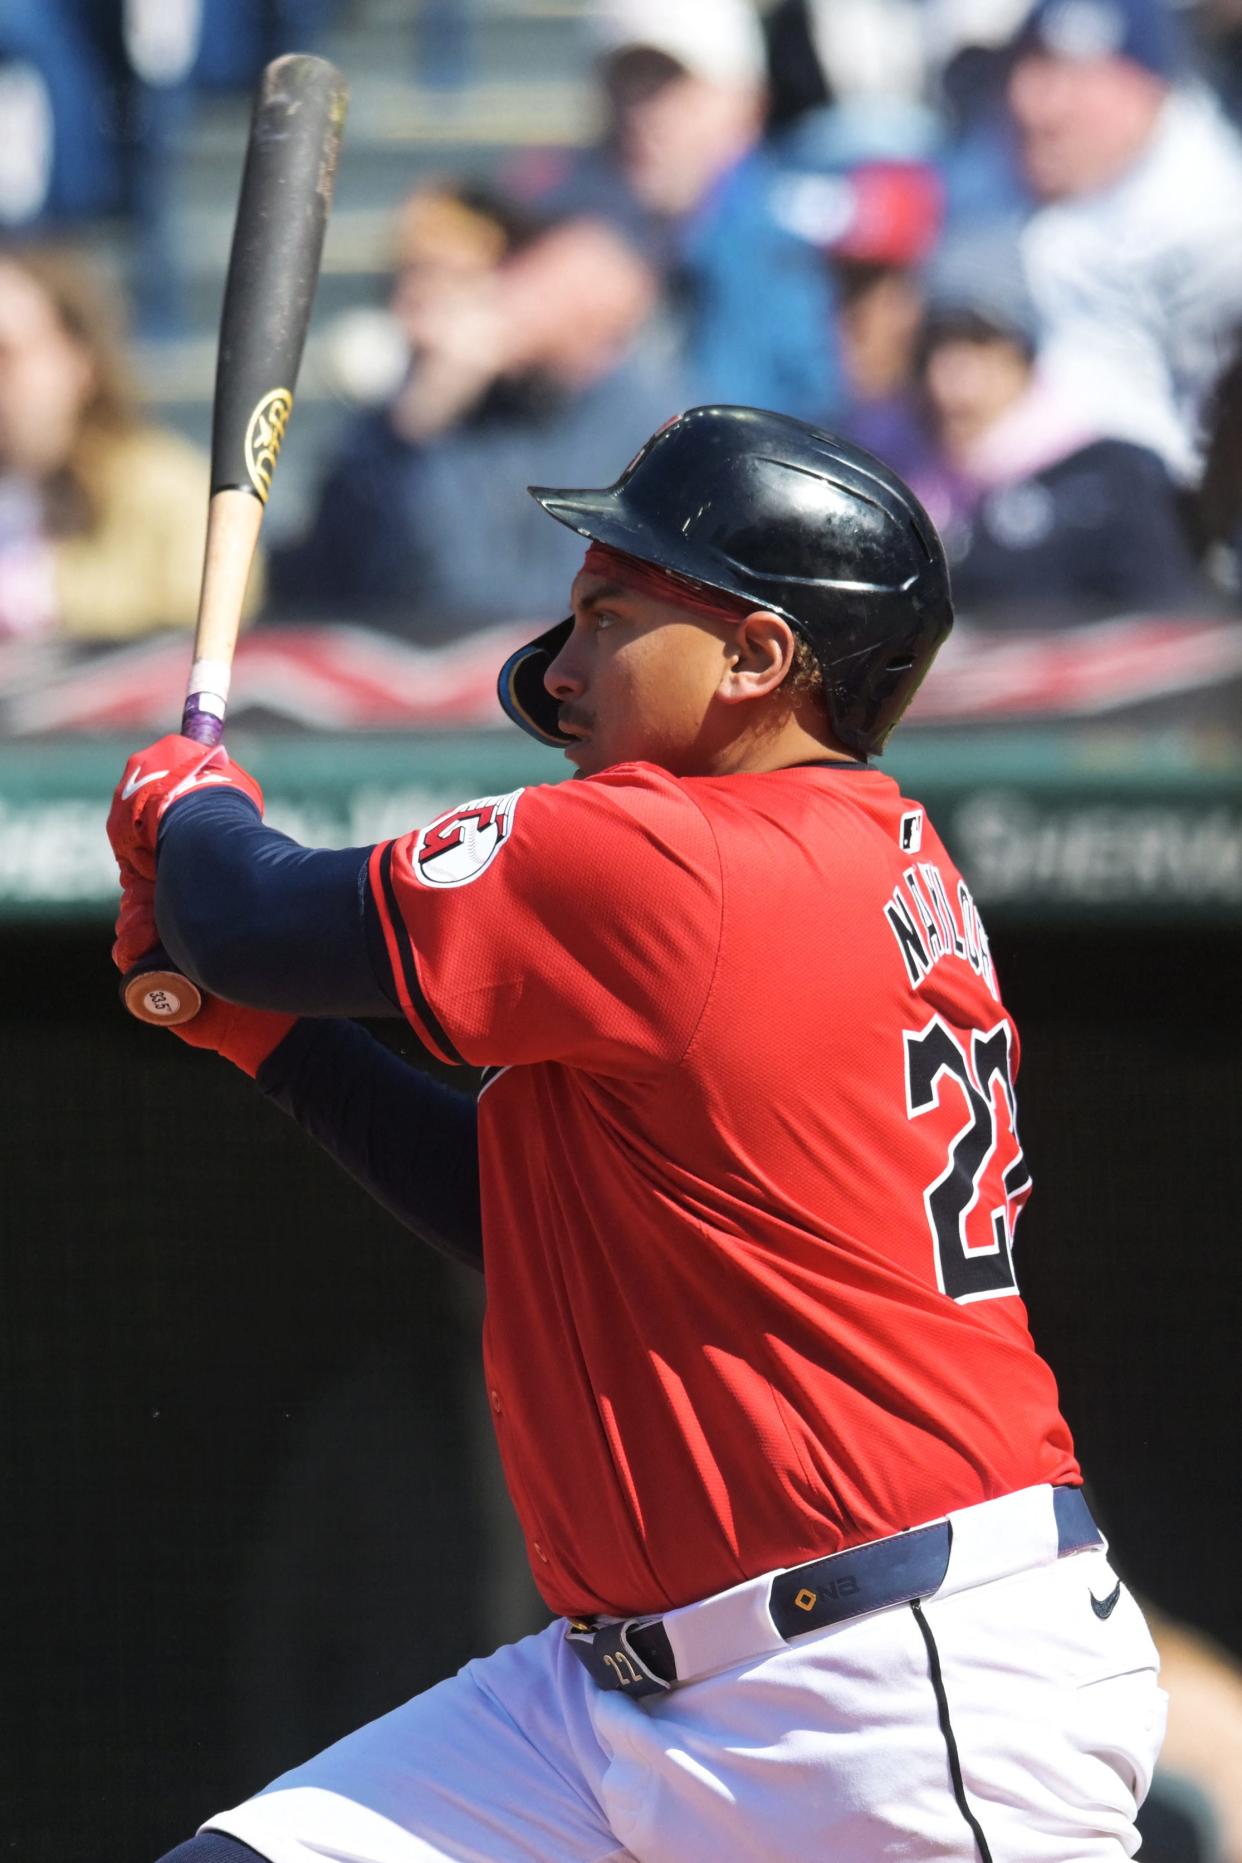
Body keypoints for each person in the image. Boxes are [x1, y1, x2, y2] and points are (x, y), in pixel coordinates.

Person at [108, 406, 1166, 1862]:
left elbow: (249, 910)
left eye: (611, 615)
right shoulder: (837, 857)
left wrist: (188, 810)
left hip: (893, 1690)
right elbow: (532, 1227)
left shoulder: (679, 859)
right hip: (611, 1692)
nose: (561, 666)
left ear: (754, 657)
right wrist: (268, 1035)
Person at [269, 184, 684, 631]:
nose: (425, 306)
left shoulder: (645, 417)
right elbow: (332, 577)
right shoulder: (425, 414)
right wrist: (414, 425)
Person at [901, 233, 1203, 615]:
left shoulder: (1114, 476)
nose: (943, 383)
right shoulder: (917, 503)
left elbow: (1170, 629)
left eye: (974, 348)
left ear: (1022, 354)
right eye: (931, 355)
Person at [1006, 0, 1242, 483]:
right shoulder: (988, 164)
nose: (1035, 106)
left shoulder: (1215, 225)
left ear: (1150, 88)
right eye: (1028, 69)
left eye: (1072, 78)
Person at [0, 244, 230, 640]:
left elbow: (211, 614)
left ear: (78, 359)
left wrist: (54, 597)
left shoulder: (159, 487)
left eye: (6, 355)